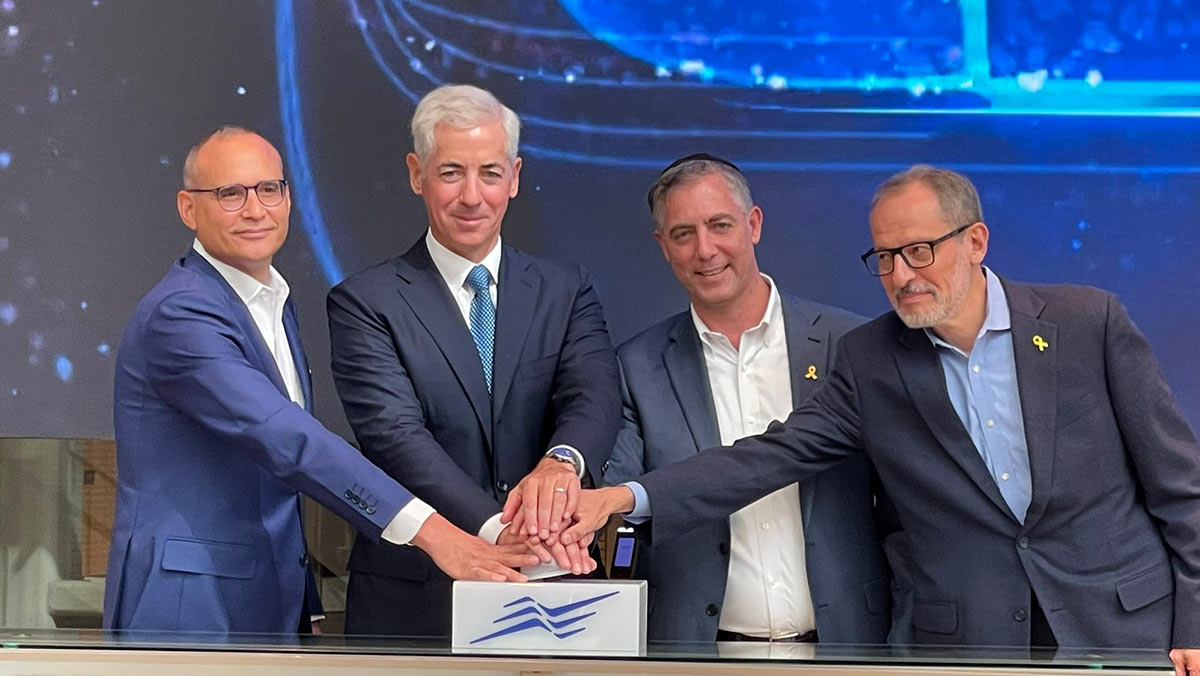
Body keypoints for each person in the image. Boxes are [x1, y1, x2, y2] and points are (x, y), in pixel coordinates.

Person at [509, 165, 1200, 672]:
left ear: (976, 241)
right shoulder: (873, 359)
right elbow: (767, 456)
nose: (902, 274)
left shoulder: (1087, 322)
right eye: (885, 258)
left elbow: (1180, 489)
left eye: (920, 250)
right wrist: (619, 499)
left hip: (1124, 632)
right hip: (974, 647)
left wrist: (1196, 622)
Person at [104, 126, 535, 635]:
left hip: (262, 600)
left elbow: (275, 484)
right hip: (187, 605)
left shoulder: (270, 302)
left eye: (269, 189)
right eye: (230, 194)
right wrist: (436, 533)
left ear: (288, 198)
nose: (255, 210)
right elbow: (286, 438)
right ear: (188, 208)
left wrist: (303, 600)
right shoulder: (181, 313)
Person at [327, 85, 621, 637]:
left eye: (489, 173)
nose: (471, 196)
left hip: (555, 585)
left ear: (514, 177)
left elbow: (595, 396)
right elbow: (395, 437)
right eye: (451, 173)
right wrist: (498, 529)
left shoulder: (566, 289)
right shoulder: (365, 302)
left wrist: (561, 464)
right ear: (417, 174)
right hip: (414, 599)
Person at [603, 154, 896, 643]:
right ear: (663, 246)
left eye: (720, 225)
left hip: (848, 648)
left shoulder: (850, 345)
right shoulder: (635, 367)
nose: (705, 250)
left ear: (753, 224)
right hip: (699, 654)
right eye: (683, 234)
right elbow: (618, 507)